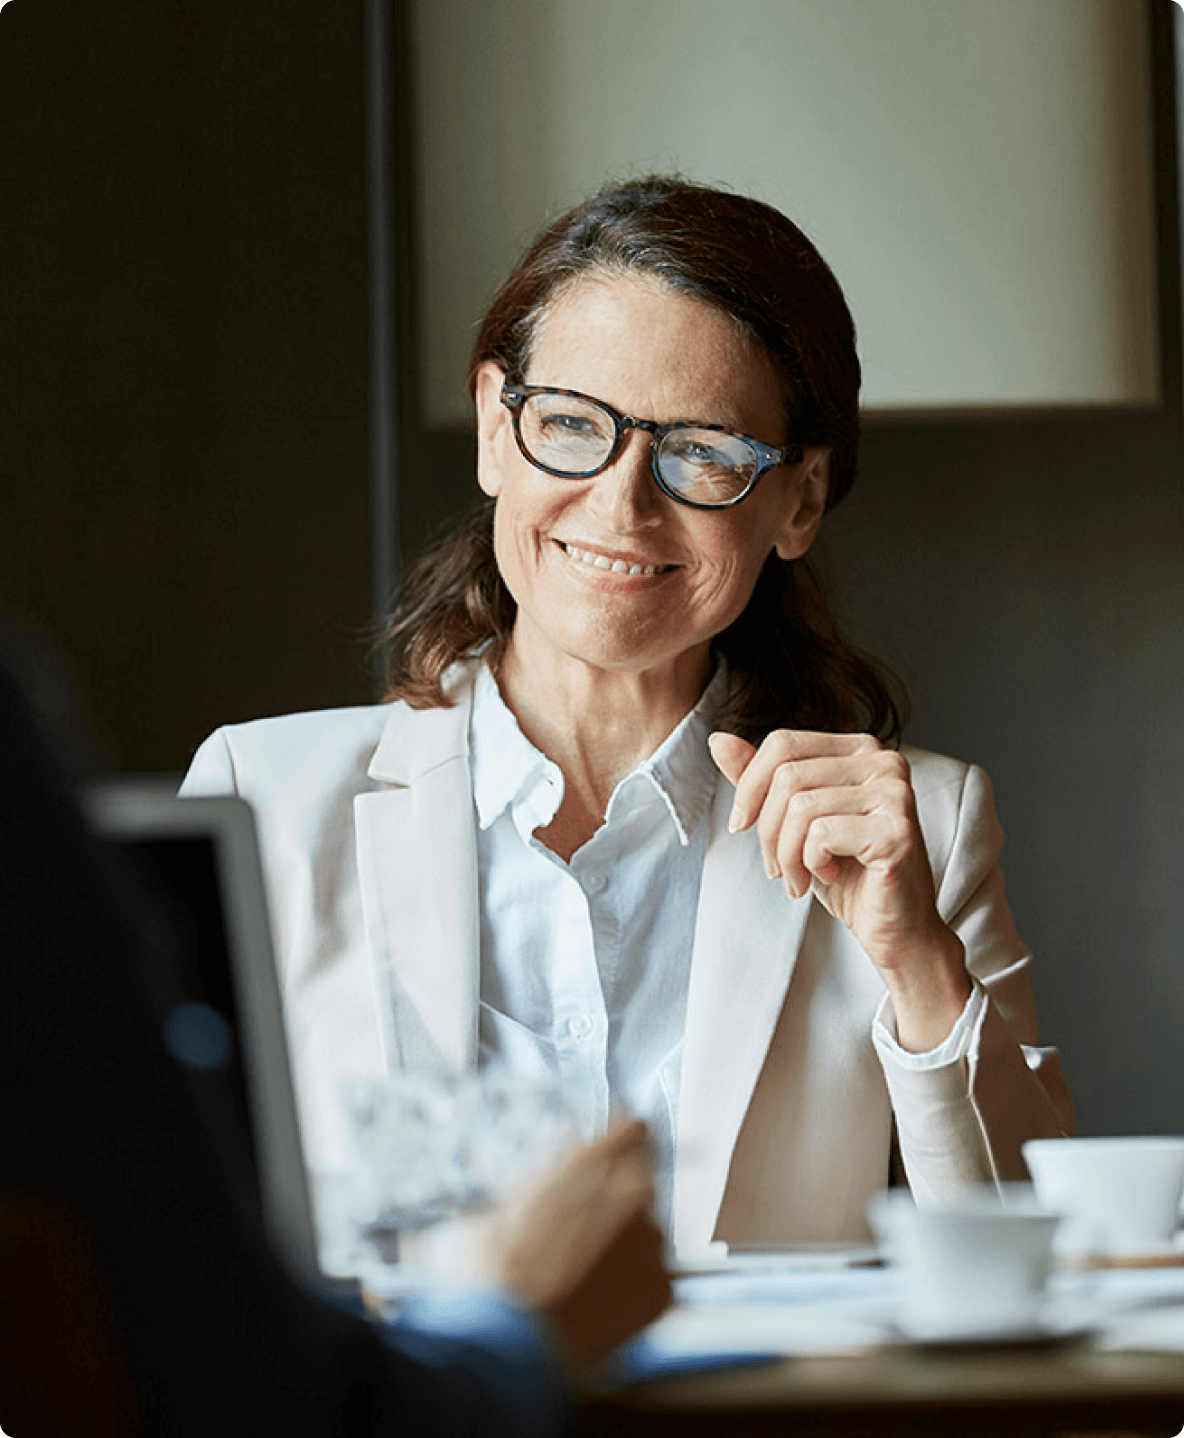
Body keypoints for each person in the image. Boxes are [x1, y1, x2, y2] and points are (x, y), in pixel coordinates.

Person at [181, 175, 1074, 1259]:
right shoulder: (261, 799)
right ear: (493, 432)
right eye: (569, 424)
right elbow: (163, 1233)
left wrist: (918, 961)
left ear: (796, 500)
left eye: (701, 450)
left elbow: (1038, 1264)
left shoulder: (918, 824)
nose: (620, 501)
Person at [0, 656, 670, 1436]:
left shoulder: (837, 811)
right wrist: (513, 1331)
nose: (625, 522)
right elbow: (208, 1349)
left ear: (799, 525)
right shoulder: (263, 781)